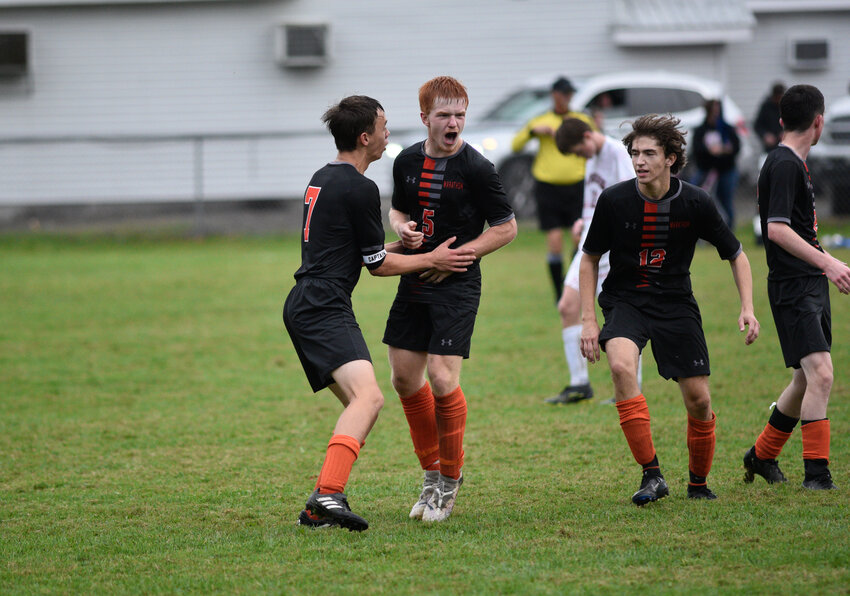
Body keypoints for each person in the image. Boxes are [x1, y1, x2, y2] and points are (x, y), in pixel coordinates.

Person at [284, 95, 477, 532]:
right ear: (365, 137)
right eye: (384, 126)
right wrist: (433, 260)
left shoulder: (324, 177)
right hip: (323, 306)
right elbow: (377, 267)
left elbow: (357, 251)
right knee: (369, 399)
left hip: (307, 302)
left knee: (362, 403)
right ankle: (327, 497)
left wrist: (402, 247)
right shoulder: (360, 186)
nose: (389, 133)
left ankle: (326, 496)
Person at [579, 114, 760, 505]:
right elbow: (589, 258)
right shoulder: (615, 200)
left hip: (676, 303)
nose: (639, 161)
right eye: (634, 153)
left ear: (671, 158)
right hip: (626, 299)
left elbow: (737, 254)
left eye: (649, 153)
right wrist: (589, 320)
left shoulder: (695, 201)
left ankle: (698, 483)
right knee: (621, 365)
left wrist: (747, 307)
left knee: (699, 400)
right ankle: (652, 475)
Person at [383, 76, 517, 522]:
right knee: (404, 379)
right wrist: (401, 227)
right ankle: (431, 472)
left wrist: (457, 255)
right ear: (425, 118)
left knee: (442, 378)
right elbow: (398, 209)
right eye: (444, 114)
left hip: (457, 283)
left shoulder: (478, 169)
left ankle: (448, 482)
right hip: (416, 277)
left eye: (460, 114)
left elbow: (506, 227)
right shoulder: (404, 161)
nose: (454, 122)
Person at [743, 84, 850, 490]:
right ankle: (817, 477)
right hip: (795, 287)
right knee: (821, 374)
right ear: (818, 122)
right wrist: (829, 263)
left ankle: (762, 455)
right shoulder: (786, 164)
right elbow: (776, 230)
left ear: (783, 119)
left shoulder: (788, 161)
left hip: (806, 284)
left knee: (806, 379)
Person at [544, 116, 641, 404]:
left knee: (622, 317)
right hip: (590, 245)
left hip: (614, 248)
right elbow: (594, 200)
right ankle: (579, 384)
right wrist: (582, 221)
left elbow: (631, 198)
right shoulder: (592, 157)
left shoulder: (616, 153)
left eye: (577, 150)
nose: (578, 156)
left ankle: (631, 387)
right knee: (567, 305)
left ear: (588, 137)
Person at [511, 76, 596, 302]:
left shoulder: (579, 119)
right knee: (555, 239)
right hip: (548, 185)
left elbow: (596, 141)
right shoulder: (542, 119)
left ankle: (574, 282)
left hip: (577, 184)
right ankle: (559, 292)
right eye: (563, 94)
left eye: (570, 94)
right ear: (554, 95)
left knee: (579, 238)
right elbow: (515, 145)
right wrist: (533, 132)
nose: (567, 98)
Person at [690, 99, 741, 228]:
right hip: (706, 170)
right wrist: (709, 150)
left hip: (726, 169)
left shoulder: (727, 128)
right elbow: (696, 148)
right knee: (697, 196)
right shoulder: (701, 130)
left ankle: (729, 230)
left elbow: (736, 147)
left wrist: (725, 150)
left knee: (725, 200)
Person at [754, 82, 786, 153]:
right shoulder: (766, 107)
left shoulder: (788, 107)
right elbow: (757, 125)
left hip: (786, 146)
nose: (779, 100)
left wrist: (787, 133)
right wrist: (765, 135)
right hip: (770, 148)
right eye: (777, 98)